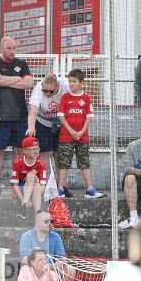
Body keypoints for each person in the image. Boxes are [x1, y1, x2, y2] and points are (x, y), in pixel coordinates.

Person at [0, 36, 34, 191]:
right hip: (0, 116)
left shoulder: (22, 64)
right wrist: (16, 79)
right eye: (9, 48)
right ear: (2, 47)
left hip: (20, 115)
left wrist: (7, 80)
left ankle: (18, 182)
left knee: (19, 150)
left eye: (15, 48)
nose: (13, 51)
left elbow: (28, 83)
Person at [57, 68, 103, 199]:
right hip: (66, 136)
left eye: (74, 81)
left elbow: (89, 117)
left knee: (85, 163)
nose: (71, 83)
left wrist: (81, 132)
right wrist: (72, 131)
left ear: (81, 82)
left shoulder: (86, 98)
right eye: (69, 81)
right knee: (63, 163)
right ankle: (60, 189)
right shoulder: (65, 97)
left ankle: (90, 189)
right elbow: (61, 116)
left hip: (82, 137)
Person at [26, 73, 70, 180]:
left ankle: (62, 186)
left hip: (61, 122)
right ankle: (46, 185)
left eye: (51, 91)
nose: (47, 93)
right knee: (45, 154)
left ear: (58, 87)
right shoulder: (38, 88)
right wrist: (31, 127)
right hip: (43, 122)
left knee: (60, 155)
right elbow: (32, 111)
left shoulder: (66, 85)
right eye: (45, 91)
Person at [10, 136, 48, 212]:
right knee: (31, 175)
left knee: (36, 183)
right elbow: (15, 184)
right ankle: (25, 203)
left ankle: (35, 212)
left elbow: (43, 185)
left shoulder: (41, 164)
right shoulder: (17, 162)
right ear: (25, 150)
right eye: (33, 149)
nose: (36, 151)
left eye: (37, 148)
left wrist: (36, 197)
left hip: (35, 190)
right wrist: (22, 199)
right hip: (21, 189)